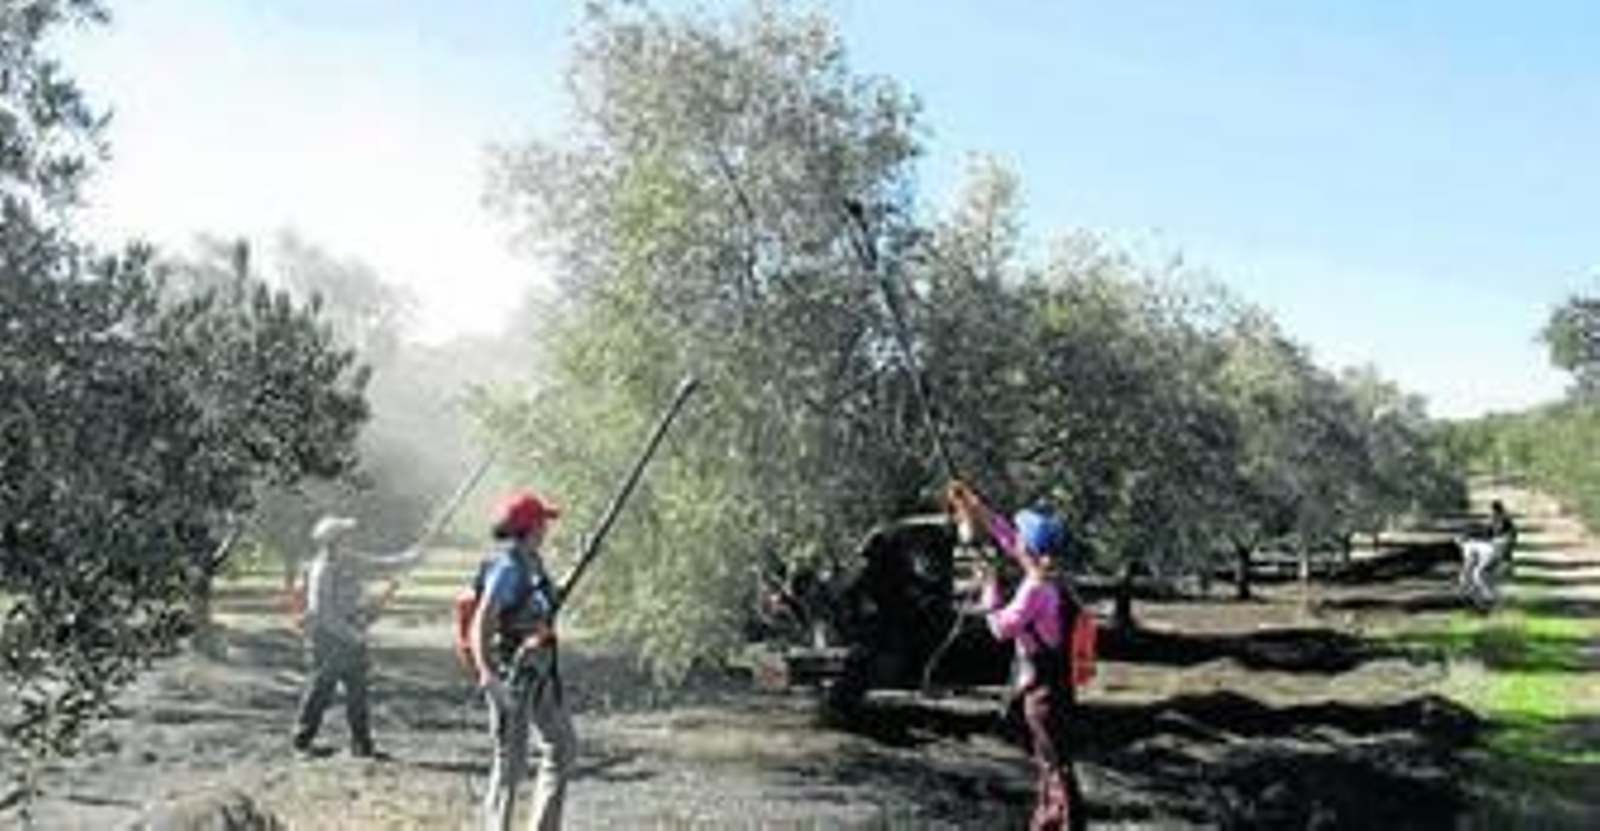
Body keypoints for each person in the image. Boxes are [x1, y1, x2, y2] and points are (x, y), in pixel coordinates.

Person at [948, 482, 1086, 831]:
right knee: (1052, 762)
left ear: (1031, 548)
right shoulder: (1052, 578)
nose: (1015, 540)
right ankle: (1049, 823)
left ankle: (1064, 823)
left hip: (1042, 694)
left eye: (1022, 537)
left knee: (1055, 765)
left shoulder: (1034, 589)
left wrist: (989, 587)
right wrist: (978, 507)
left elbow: (1000, 629)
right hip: (1058, 688)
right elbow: (1010, 540)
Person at [472, 491, 576, 831]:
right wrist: (488, 674)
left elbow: (545, 602)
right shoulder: (506, 567)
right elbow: (481, 623)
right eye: (543, 520)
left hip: (543, 671)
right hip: (512, 675)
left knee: (562, 747)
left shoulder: (533, 561)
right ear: (531, 526)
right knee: (510, 764)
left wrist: (579, 560)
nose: (548, 526)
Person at [291, 515, 422, 758]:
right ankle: (302, 741)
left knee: (358, 693)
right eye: (346, 535)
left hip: (350, 636)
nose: (351, 538)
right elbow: (323, 613)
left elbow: (384, 565)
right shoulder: (324, 570)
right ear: (334, 541)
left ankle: (361, 745)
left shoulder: (349, 560)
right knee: (321, 691)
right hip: (328, 639)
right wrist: (351, 635)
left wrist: (410, 558)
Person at [1459, 500, 1518, 610]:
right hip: (1496, 561)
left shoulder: (1508, 528)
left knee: (1479, 575)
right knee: (1475, 576)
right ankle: (1484, 604)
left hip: (1502, 562)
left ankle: (1491, 602)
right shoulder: (1493, 525)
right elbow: (1482, 534)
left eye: (1494, 514)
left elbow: (1504, 545)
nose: (1492, 517)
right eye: (1492, 515)